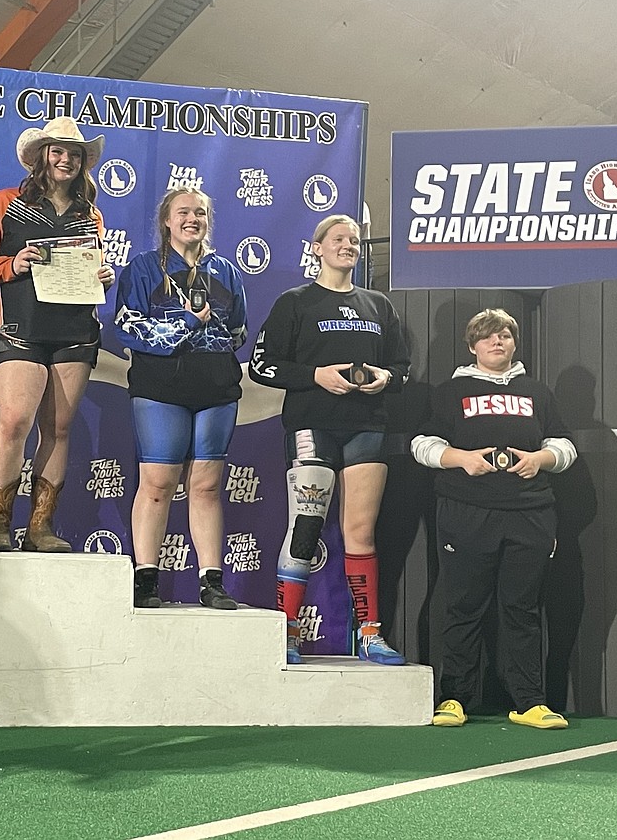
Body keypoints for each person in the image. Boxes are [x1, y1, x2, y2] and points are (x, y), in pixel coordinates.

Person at [249, 214, 410, 665]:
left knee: (361, 531)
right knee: (306, 527)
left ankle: (370, 634)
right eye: (338, 239)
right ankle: (286, 630)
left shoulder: (378, 305)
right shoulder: (295, 303)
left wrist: (384, 377)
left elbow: (402, 368)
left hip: (368, 427)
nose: (348, 246)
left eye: (355, 241)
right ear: (317, 247)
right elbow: (263, 365)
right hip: (312, 425)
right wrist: (315, 375)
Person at [411, 309, 575, 729]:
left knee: (522, 609)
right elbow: (422, 443)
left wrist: (542, 458)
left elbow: (564, 445)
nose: (496, 342)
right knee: (463, 606)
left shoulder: (537, 392)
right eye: (487, 337)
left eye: (504, 335)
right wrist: (461, 459)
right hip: (466, 511)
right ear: (473, 346)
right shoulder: (450, 391)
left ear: (514, 343)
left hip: (530, 513)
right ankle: (453, 698)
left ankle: (529, 701)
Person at [0, 116, 115, 553]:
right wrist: (11, 265)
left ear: (84, 161)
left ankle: (40, 528)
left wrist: (102, 277)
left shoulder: (92, 213)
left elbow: (92, 266)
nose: (66, 159)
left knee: (59, 428)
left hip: (75, 330)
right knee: (13, 422)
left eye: (74, 153)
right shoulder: (6, 201)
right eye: (58, 151)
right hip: (21, 327)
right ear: (41, 157)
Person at [115, 187, 247, 610]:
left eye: (201, 213)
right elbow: (128, 327)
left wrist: (210, 339)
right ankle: (146, 579)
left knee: (206, 486)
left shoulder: (225, 270)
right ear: (167, 221)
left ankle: (211, 582)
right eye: (184, 212)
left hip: (215, 387)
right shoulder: (142, 268)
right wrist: (186, 324)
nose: (193, 219)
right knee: (157, 484)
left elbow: (239, 330)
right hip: (161, 386)